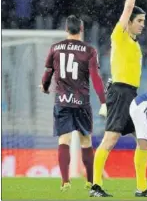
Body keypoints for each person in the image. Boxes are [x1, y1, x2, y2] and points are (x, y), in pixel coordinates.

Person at [90, 0, 147, 198]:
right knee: (111, 138)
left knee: (143, 140)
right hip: (119, 92)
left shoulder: (134, 43)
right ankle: (96, 185)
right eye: (139, 21)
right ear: (129, 22)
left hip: (131, 95)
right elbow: (127, 6)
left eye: (144, 21)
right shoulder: (121, 34)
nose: (142, 25)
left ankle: (141, 187)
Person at [40, 15, 106, 191]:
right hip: (81, 101)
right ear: (82, 29)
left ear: (66, 29)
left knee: (64, 139)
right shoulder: (89, 50)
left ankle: (65, 181)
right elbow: (95, 77)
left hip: (62, 100)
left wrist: (45, 87)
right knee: (85, 141)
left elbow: (48, 72)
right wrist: (103, 101)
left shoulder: (55, 48)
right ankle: (91, 181)